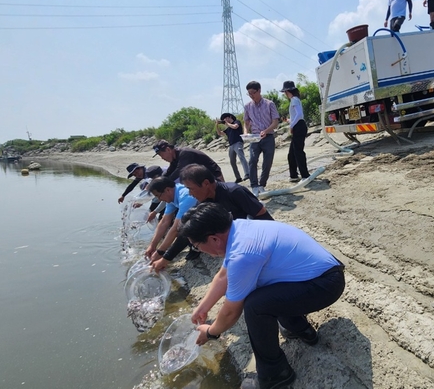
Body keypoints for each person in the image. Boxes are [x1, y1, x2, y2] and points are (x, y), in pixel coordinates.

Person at [180, 202, 345, 389]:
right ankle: (300, 329)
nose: (199, 251)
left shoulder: (243, 252)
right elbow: (224, 274)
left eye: (196, 246)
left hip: (326, 285)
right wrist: (203, 307)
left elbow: (230, 312)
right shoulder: (237, 230)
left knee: (255, 305)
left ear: (213, 239)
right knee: (266, 287)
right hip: (322, 274)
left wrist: (210, 332)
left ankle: (275, 375)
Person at [150, 164, 274, 272]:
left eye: (190, 188)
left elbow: (265, 219)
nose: (189, 193)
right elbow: (188, 231)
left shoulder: (234, 192)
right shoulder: (204, 202)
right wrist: (165, 259)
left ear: (206, 184)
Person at [143, 177, 197, 262]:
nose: (160, 200)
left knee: (185, 229)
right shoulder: (172, 196)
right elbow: (164, 221)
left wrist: (160, 252)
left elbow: (176, 228)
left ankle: (197, 248)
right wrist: (152, 246)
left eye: (158, 195)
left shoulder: (186, 196)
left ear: (167, 190)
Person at [243, 81, 280, 197]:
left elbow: (275, 122)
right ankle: (254, 185)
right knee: (252, 160)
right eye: (249, 94)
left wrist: (266, 131)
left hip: (268, 136)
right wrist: (245, 132)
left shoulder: (269, 104)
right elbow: (246, 122)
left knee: (267, 162)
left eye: (253, 93)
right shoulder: (248, 106)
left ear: (259, 90)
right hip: (254, 138)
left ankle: (262, 185)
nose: (251, 96)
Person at [280, 81, 311, 183]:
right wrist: (289, 121)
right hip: (298, 126)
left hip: (299, 127)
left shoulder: (294, 100)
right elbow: (296, 116)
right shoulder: (295, 100)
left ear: (288, 91)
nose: (285, 94)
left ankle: (305, 175)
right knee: (292, 153)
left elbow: (299, 115)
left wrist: (291, 126)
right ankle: (293, 175)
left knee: (298, 152)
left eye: (285, 92)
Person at [152, 140, 224, 183]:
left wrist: (164, 182)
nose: (161, 158)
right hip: (201, 178)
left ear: (168, 150)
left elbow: (178, 171)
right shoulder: (175, 158)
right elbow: (169, 171)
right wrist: (157, 181)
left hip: (214, 176)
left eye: (161, 155)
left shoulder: (184, 153)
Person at [216, 113, 249, 183]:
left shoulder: (237, 122)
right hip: (231, 145)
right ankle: (238, 177)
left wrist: (227, 124)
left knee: (242, 158)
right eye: (223, 119)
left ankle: (247, 173)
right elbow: (220, 133)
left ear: (230, 117)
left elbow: (235, 127)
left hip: (238, 143)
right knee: (232, 162)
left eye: (226, 118)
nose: (225, 120)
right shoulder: (228, 129)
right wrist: (217, 125)